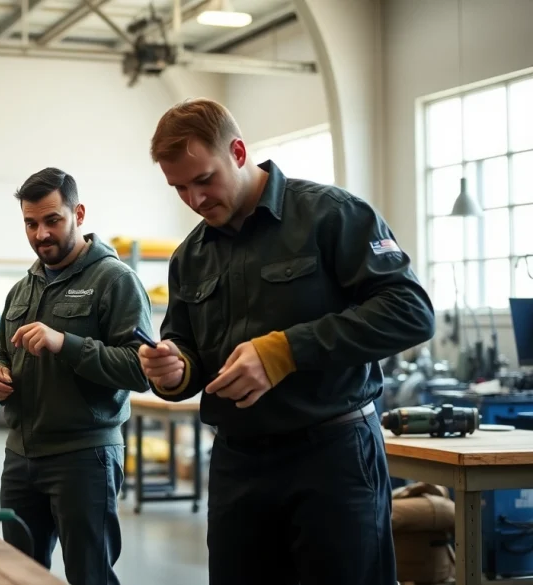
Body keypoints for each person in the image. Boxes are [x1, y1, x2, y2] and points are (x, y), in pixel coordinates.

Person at [136, 98, 436, 585]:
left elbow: (411, 312)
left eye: (204, 180)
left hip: (332, 458)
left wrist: (287, 350)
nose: (195, 199)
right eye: (180, 188)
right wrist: (174, 370)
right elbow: (185, 346)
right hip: (237, 465)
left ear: (237, 152)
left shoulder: (331, 215)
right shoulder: (190, 256)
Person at [0, 168, 153, 585]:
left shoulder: (115, 280)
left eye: (52, 220)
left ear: (78, 213)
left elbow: (139, 368)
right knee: (17, 575)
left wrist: (66, 343)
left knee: (89, 575)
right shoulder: (23, 288)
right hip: (21, 456)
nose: (41, 234)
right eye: (30, 223)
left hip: (84, 457)